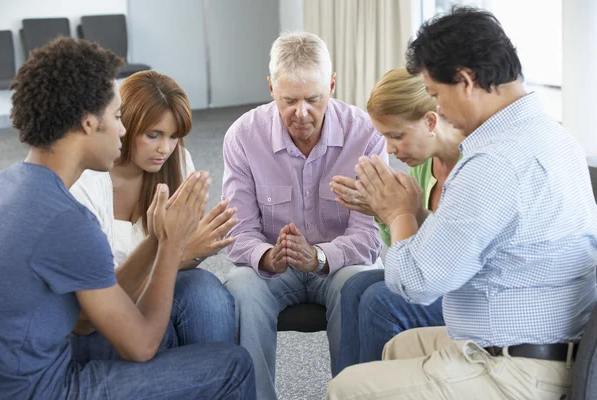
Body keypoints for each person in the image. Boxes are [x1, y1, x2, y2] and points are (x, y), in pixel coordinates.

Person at [327, 7, 597, 399]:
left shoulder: (495, 162)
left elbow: (416, 284)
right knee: (397, 348)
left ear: (466, 81)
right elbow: (471, 242)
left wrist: (398, 213)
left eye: (436, 94)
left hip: (520, 369)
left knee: (347, 387)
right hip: (553, 341)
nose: (437, 109)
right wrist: (415, 212)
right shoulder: (551, 135)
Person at [0, 37, 255, 399]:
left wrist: (157, 238)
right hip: (47, 388)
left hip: (30, 367)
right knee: (233, 366)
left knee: (196, 304)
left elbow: (87, 321)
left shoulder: (6, 184)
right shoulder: (69, 219)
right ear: (89, 123)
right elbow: (141, 345)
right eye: (118, 117)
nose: (122, 129)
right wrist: (168, 243)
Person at [222, 31, 386, 400]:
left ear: (331, 85)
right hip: (273, 270)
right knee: (240, 289)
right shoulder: (243, 136)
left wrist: (320, 257)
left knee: (360, 285)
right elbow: (238, 231)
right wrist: (266, 255)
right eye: (288, 100)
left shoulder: (367, 135)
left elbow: (370, 237)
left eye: (313, 99)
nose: (301, 113)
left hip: (340, 266)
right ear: (270, 88)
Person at [70, 70, 238, 354]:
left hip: (159, 284)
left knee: (208, 294)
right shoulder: (88, 182)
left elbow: (183, 253)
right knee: (154, 334)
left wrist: (193, 251)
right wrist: (181, 254)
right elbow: (97, 304)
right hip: (104, 305)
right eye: (153, 135)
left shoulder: (179, 162)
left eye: (174, 136)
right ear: (126, 125)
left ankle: (217, 383)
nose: (165, 149)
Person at [330, 67, 463, 373]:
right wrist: (382, 213)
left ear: (430, 121)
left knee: (380, 300)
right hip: (433, 275)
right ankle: (348, 389)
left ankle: (377, 389)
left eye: (397, 136)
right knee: (354, 286)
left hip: (462, 288)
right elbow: (406, 244)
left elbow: (444, 259)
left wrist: (397, 213)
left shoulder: (471, 166)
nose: (389, 149)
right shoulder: (424, 163)